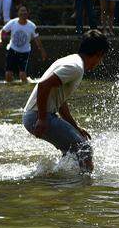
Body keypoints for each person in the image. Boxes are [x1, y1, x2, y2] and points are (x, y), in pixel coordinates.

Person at [21, 30, 110, 172]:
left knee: (72, 151)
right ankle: (85, 183)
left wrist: (75, 126)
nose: (101, 62)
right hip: (37, 116)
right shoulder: (75, 67)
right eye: (102, 57)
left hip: (36, 115)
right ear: (99, 53)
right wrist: (42, 119)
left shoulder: (72, 61)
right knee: (85, 149)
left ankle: (58, 178)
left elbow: (60, 100)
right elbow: (43, 85)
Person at [0, 5, 47, 82]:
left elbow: (37, 40)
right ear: (18, 13)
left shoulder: (32, 26)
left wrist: (42, 51)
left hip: (24, 52)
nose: (23, 13)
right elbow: (1, 31)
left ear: (28, 13)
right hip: (12, 50)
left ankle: (26, 86)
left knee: (22, 75)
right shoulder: (13, 22)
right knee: (8, 74)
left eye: (25, 11)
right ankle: (11, 88)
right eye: (21, 11)